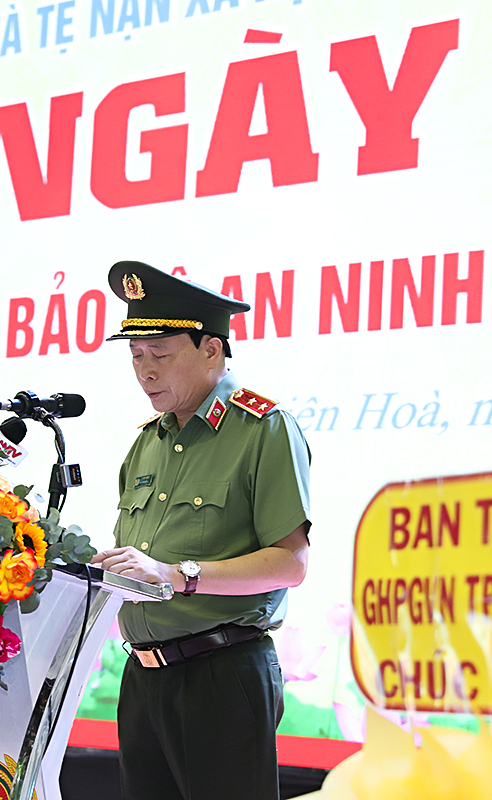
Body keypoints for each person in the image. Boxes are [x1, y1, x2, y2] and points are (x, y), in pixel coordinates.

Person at [91, 260, 311, 800]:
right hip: (143, 677)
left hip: (221, 673)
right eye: (136, 356)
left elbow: (291, 563)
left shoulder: (263, 429)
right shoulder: (147, 440)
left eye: (160, 355)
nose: (145, 372)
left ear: (211, 349)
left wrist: (173, 574)